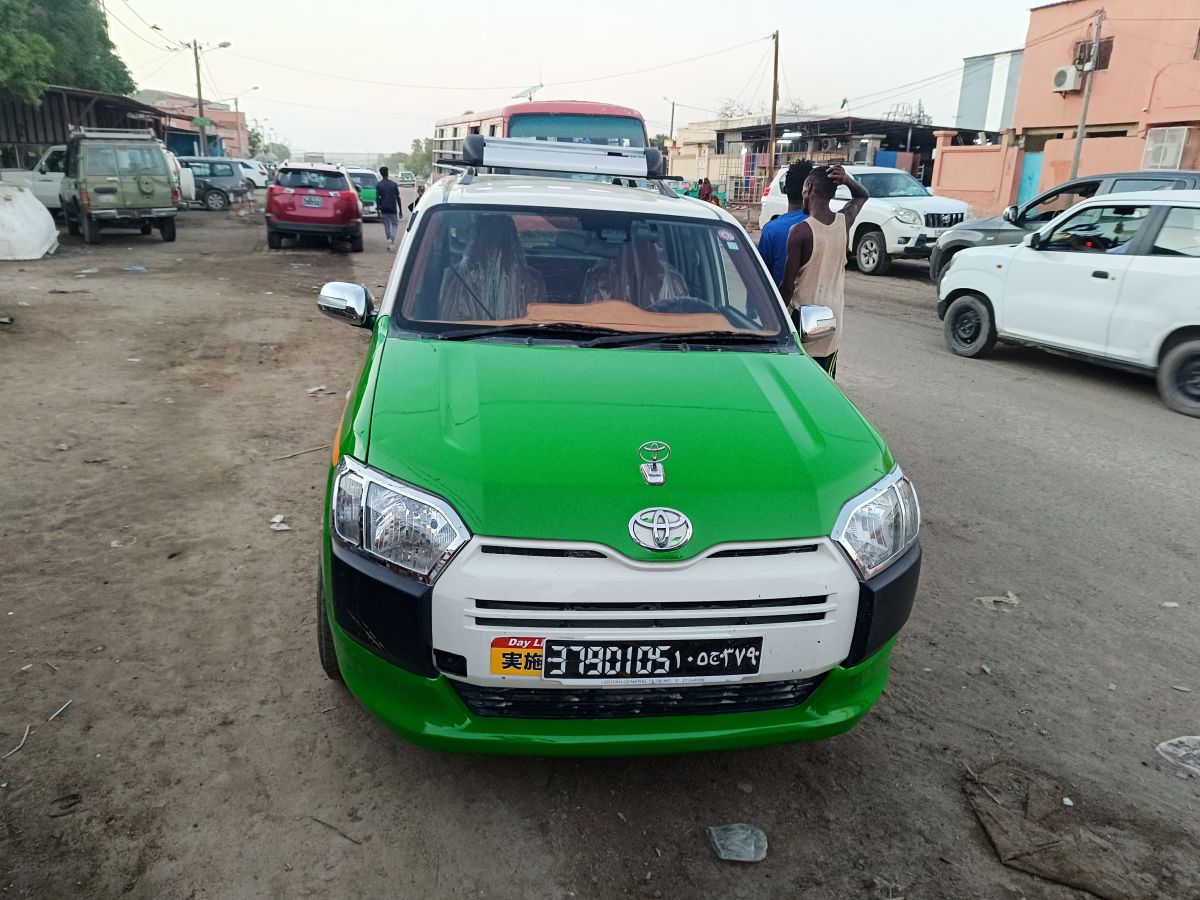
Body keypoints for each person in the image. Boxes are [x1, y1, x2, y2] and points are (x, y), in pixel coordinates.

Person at [780, 164, 869, 379]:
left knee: (800, 387)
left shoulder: (800, 231)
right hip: (832, 327)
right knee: (825, 385)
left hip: (804, 327)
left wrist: (777, 322)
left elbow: (787, 286)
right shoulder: (843, 222)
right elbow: (862, 196)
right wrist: (847, 180)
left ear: (808, 188)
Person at [757, 160, 813, 288]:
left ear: (785, 189)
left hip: (780, 305)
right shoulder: (824, 226)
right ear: (810, 190)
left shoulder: (771, 230)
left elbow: (760, 280)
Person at [376, 166, 403, 251]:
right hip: (392, 208)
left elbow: (377, 198)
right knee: (394, 224)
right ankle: (391, 239)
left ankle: (389, 240)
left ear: (381, 174)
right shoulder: (393, 185)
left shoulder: (379, 185)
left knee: (387, 225)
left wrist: (378, 209)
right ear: (387, 173)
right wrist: (400, 210)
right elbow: (398, 197)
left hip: (383, 208)